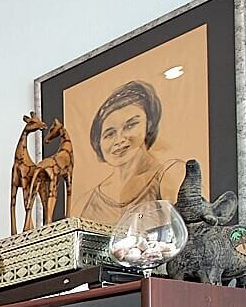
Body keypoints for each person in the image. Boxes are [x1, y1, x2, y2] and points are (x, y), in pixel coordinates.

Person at [75, 80, 186, 225]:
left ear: (148, 125)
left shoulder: (170, 175)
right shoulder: (83, 203)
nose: (119, 139)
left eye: (130, 125)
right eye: (109, 134)